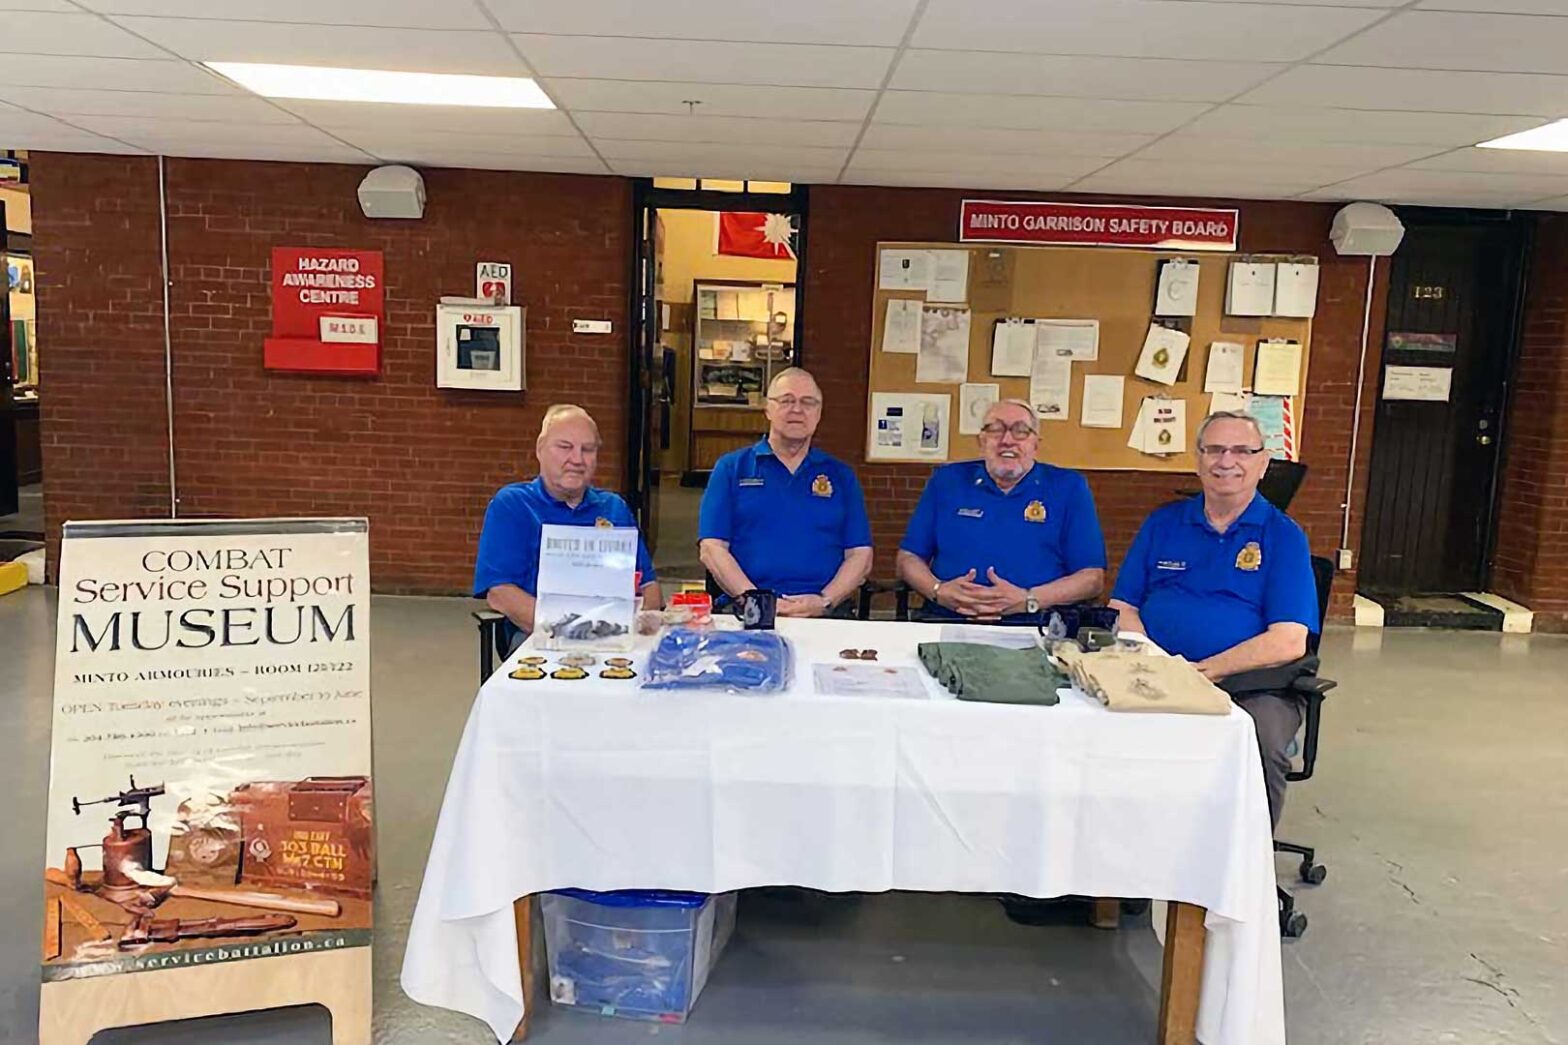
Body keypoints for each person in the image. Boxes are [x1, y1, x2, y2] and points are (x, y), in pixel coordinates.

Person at [1109, 411, 1319, 830]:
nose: (1227, 461)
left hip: (1251, 686)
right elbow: (1122, 606)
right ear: (1198, 459)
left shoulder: (1283, 535)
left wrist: (1206, 672)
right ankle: (1122, 871)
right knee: (1095, 726)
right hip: (1155, 670)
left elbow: (1288, 641)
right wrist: (1155, 663)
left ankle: (1245, 876)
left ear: (1263, 463)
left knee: (1261, 740)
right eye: (1215, 450)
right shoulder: (1163, 523)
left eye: (1242, 451)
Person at [897, 398, 1105, 621]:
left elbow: (1092, 578)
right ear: (981, 441)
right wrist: (938, 591)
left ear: (1036, 444)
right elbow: (908, 558)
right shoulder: (947, 481)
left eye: (1021, 431)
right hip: (948, 618)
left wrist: (1029, 600)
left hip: (1036, 625)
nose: (1007, 440)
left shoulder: (1069, 487)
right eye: (996, 430)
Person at [473, 404, 660, 652]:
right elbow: (500, 594)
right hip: (538, 637)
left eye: (588, 449)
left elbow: (649, 588)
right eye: (565, 447)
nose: (577, 459)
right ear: (540, 450)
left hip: (616, 639)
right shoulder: (513, 505)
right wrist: (576, 634)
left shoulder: (614, 508)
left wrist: (630, 630)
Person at [698, 368, 872, 618]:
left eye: (808, 402)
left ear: (819, 413)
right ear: (768, 409)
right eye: (787, 401)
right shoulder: (731, 469)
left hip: (826, 611)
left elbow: (860, 554)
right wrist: (757, 603)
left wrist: (824, 601)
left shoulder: (841, 476)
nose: (797, 410)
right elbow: (712, 548)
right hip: (748, 607)